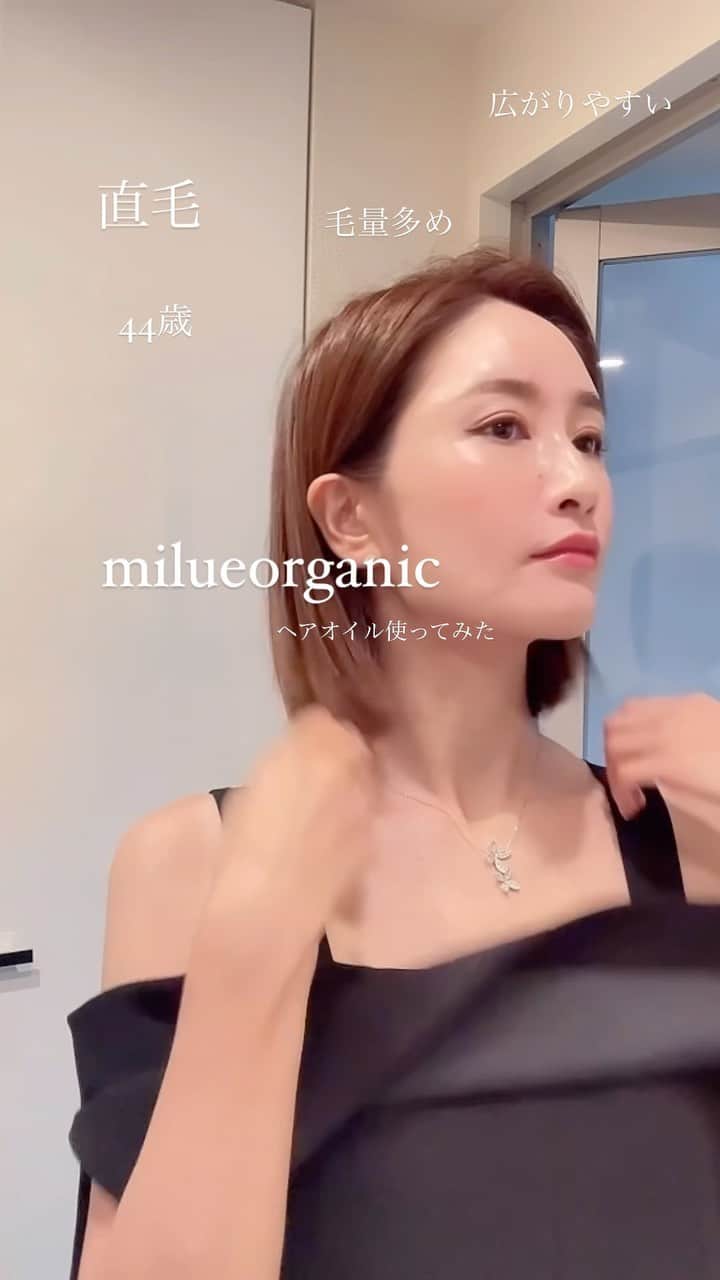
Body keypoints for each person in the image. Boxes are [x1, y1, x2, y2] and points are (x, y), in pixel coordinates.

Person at [66, 245, 720, 1280]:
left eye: (590, 439)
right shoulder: (193, 862)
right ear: (352, 517)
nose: (579, 483)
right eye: (504, 427)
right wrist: (258, 940)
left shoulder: (686, 840)